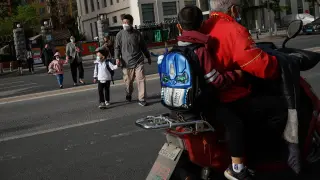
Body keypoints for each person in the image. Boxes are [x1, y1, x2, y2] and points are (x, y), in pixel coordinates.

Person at [188, 0, 288, 179]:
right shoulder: (234, 29)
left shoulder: (204, 27)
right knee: (278, 107)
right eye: (238, 9)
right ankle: (262, 157)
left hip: (207, 95)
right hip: (229, 94)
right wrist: (278, 65)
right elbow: (256, 63)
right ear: (233, 9)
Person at [115, 14, 152, 106]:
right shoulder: (119, 35)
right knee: (128, 82)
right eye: (124, 22)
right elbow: (117, 48)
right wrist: (117, 58)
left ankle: (142, 99)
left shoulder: (137, 34)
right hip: (126, 63)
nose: (125, 24)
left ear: (131, 23)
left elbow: (143, 46)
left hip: (138, 61)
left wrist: (148, 56)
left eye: (127, 22)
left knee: (141, 79)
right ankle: (128, 93)